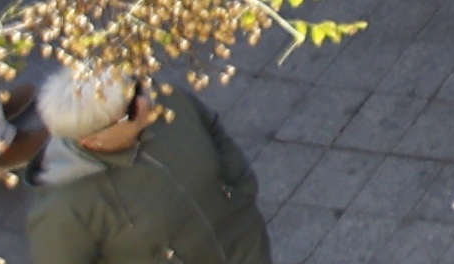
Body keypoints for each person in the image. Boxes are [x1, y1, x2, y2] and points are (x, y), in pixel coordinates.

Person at [16, 64, 268, 264]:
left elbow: (212, 130)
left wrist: (241, 190)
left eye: (135, 87)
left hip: (244, 250)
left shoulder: (166, 103)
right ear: (91, 139)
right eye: (129, 111)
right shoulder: (64, 208)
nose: (145, 102)